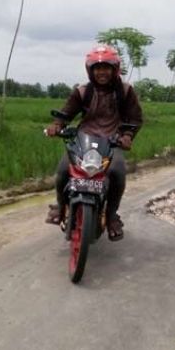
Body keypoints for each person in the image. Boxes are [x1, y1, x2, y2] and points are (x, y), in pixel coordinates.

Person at [44, 45, 143, 241]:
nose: (101, 72)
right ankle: (61, 206)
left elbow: (135, 118)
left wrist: (127, 136)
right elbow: (67, 113)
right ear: (90, 70)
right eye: (97, 68)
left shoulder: (125, 91)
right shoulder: (82, 91)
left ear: (115, 69)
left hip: (111, 141)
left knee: (117, 172)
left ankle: (112, 214)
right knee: (64, 169)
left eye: (106, 68)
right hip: (84, 139)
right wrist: (57, 125)